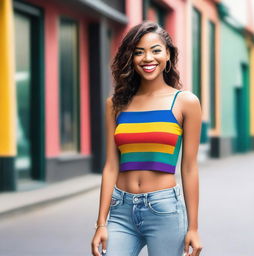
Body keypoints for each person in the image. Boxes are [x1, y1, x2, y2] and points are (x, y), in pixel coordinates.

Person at [91, 21, 203, 256]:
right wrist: (101, 222)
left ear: (168, 55)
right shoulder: (115, 104)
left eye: (155, 50)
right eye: (138, 52)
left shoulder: (185, 102)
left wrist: (193, 227)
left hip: (164, 210)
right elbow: (111, 166)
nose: (147, 58)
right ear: (130, 58)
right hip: (121, 210)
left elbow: (190, 168)